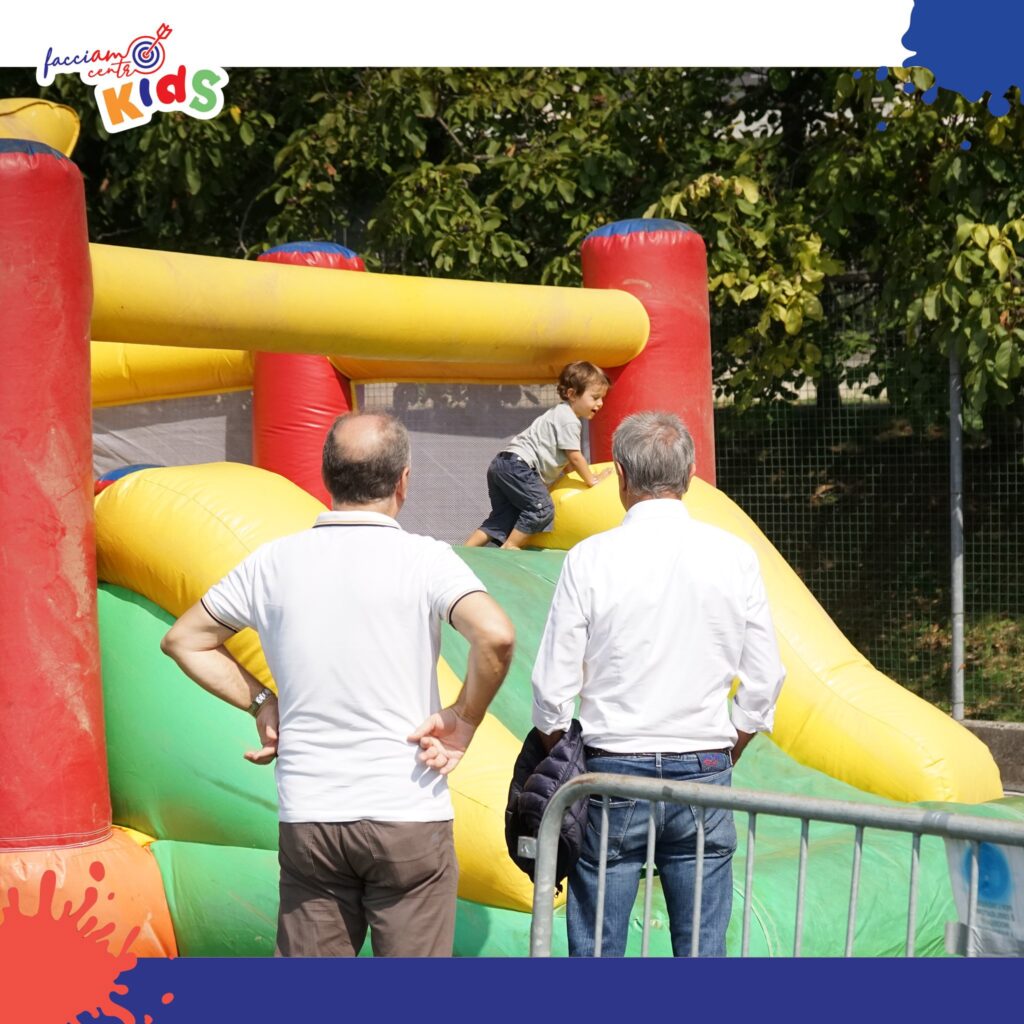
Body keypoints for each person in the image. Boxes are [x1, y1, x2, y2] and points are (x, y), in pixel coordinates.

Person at [160, 411, 515, 957]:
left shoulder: (272, 562)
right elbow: (495, 635)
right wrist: (464, 720)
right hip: (405, 807)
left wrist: (262, 703)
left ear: (327, 477)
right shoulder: (425, 559)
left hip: (312, 812)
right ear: (403, 481)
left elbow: (185, 640)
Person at [531, 411, 785, 957]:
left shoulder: (589, 558)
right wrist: (726, 749)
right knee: (702, 946)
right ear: (690, 476)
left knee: (597, 948)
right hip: (704, 764)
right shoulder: (735, 557)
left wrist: (562, 748)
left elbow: (552, 687)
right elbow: (765, 677)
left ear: (621, 476)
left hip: (613, 765)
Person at [464, 360, 613, 551]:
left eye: (602, 398)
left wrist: (570, 478)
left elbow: (567, 461)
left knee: (502, 519)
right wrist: (592, 480)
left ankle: (463, 551)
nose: (600, 403)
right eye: (595, 397)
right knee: (542, 508)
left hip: (502, 464)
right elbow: (575, 457)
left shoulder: (557, 413)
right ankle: (511, 546)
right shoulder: (570, 420)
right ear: (572, 394)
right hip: (519, 467)